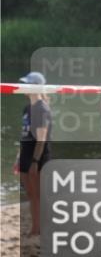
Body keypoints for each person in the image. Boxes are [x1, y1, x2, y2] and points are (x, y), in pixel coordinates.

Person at [14, 71, 51, 236]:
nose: (23, 86)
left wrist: (35, 161)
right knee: (30, 194)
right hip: (26, 154)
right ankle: (35, 228)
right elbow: (24, 135)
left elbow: (41, 139)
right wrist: (18, 157)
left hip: (38, 156)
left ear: (37, 87)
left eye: (27, 84)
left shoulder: (41, 108)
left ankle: (40, 228)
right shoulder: (26, 108)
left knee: (38, 194)